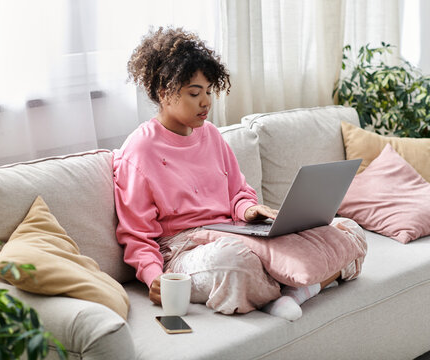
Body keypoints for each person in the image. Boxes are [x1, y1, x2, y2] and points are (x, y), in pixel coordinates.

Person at [113, 27, 340, 320]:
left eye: (209, 92)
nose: (206, 102)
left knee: (344, 230)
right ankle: (300, 286)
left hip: (234, 232)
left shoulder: (211, 135)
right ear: (164, 93)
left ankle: (291, 292)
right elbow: (137, 235)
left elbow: (239, 193)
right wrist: (154, 277)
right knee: (235, 261)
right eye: (195, 93)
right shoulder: (139, 149)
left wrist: (249, 210)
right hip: (184, 249)